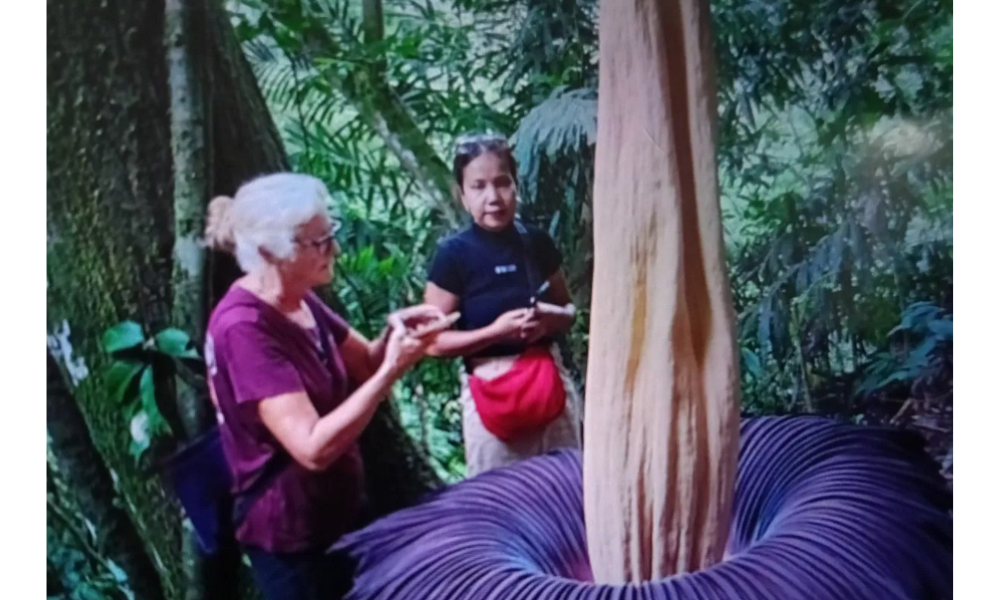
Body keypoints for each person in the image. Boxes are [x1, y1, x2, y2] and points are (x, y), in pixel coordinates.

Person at [202, 173, 448, 600]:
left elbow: (367, 362)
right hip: (293, 543)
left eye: (328, 235)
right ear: (269, 253)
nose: (332, 249)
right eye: (317, 243)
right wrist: (391, 371)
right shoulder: (243, 329)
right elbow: (312, 448)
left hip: (341, 518)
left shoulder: (300, 299)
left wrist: (398, 335)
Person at [423, 133, 583, 477]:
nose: (493, 197)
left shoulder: (536, 243)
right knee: (500, 505)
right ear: (462, 195)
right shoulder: (453, 255)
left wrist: (548, 319)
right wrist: (496, 332)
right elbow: (433, 342)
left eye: (502, 183)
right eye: (478, 186)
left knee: (567, 491)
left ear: (515, 186)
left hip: (548, 385)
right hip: (489, 393)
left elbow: (569, 313)